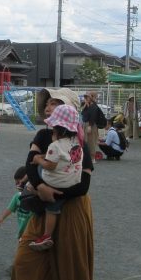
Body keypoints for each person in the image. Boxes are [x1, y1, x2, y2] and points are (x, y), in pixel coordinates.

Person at [11, 87, 95, 280]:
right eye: (48, 103)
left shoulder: (78, 143)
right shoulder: (43, 135)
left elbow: (83, 185)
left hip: (71, 211)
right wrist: (40, 188)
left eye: (57, 103)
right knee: (27, 259)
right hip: (44, 207)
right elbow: (30, 163)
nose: (49, 107)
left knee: (69, 266)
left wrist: (54, 194)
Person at [29, 103, 84, 250]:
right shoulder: (77, 143)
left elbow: (50, 166)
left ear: (58, 130)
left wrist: (38, 159)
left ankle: (47, 235)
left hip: (57, 184)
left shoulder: (55, 146)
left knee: (51, 207)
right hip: (73, 181)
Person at [0, 166, 32, 240]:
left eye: (18, 182)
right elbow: (10, 208)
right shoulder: (17, 196)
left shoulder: (34, 197)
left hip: (31, 231)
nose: (17, 185)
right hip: (22, 231)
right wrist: (2, 218)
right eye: (16, 183)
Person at [80, 92, 105, 160]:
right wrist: (85, 105)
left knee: (91, 141)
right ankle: (88, 157)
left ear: (91, 98)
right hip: (86, 124)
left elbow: (93, 117)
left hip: (91, 125)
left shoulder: (93, 106)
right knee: (86, 140)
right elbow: (83, 114)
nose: (86, 98)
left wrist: (89, 126)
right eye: (85, 97)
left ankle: (92, 157)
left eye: (87, 97)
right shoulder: (88, 105)